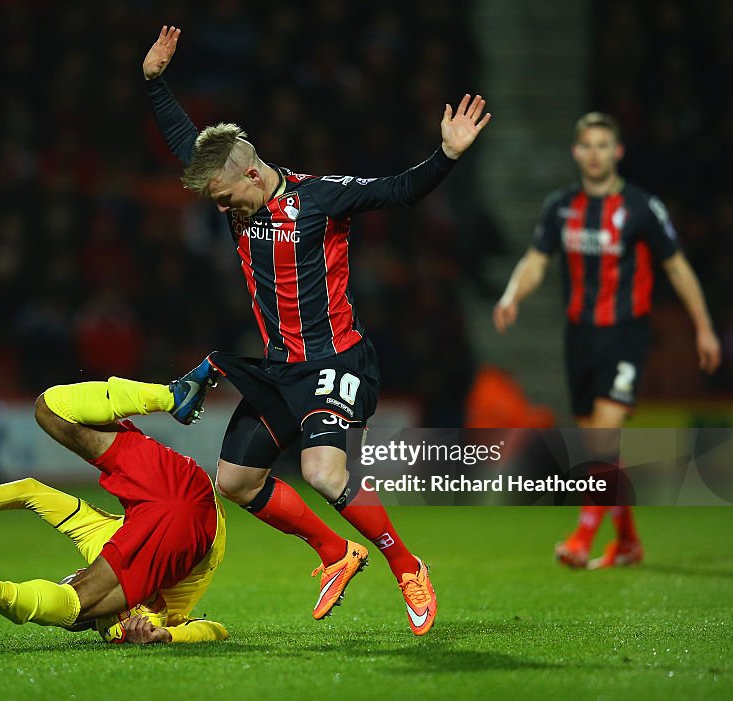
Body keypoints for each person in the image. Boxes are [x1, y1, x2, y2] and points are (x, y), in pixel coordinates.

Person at [142, 26, 491, 635]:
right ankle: (335, 553)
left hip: (337, 361)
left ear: (251, 177)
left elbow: (400, 191)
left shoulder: (320, 198)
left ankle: (407, 565)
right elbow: (186, 146)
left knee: (323, 472)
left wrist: (448, 155)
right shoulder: (234, 191)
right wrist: (154, 83)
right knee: (237, 480)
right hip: (281, 366)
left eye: (225, 199)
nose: (221, 211)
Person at [493, 111, 721, 569]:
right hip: (579, 337)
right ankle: (629, 542)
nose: (595, 154)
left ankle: (581, 537)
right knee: (603, 448)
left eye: (603, 145)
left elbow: (676, 266)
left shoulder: (641, 207)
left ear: (617, 152)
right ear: (576, 152)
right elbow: (536, 260)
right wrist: (512, 294)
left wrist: (704, 326)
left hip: (626, 335)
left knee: (600, 439)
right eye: (587, 146)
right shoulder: (560, 207)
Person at [0, 375, 228, 644]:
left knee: (49, 409)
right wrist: (168, 634)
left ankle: (172, 396)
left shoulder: (99, 544)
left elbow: (29, 492)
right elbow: (214, 629)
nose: (79, 574)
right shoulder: (124, 613)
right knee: (50, 407)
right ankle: (169, 395)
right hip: (188, 496)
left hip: (179, 498)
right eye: (75, 577)